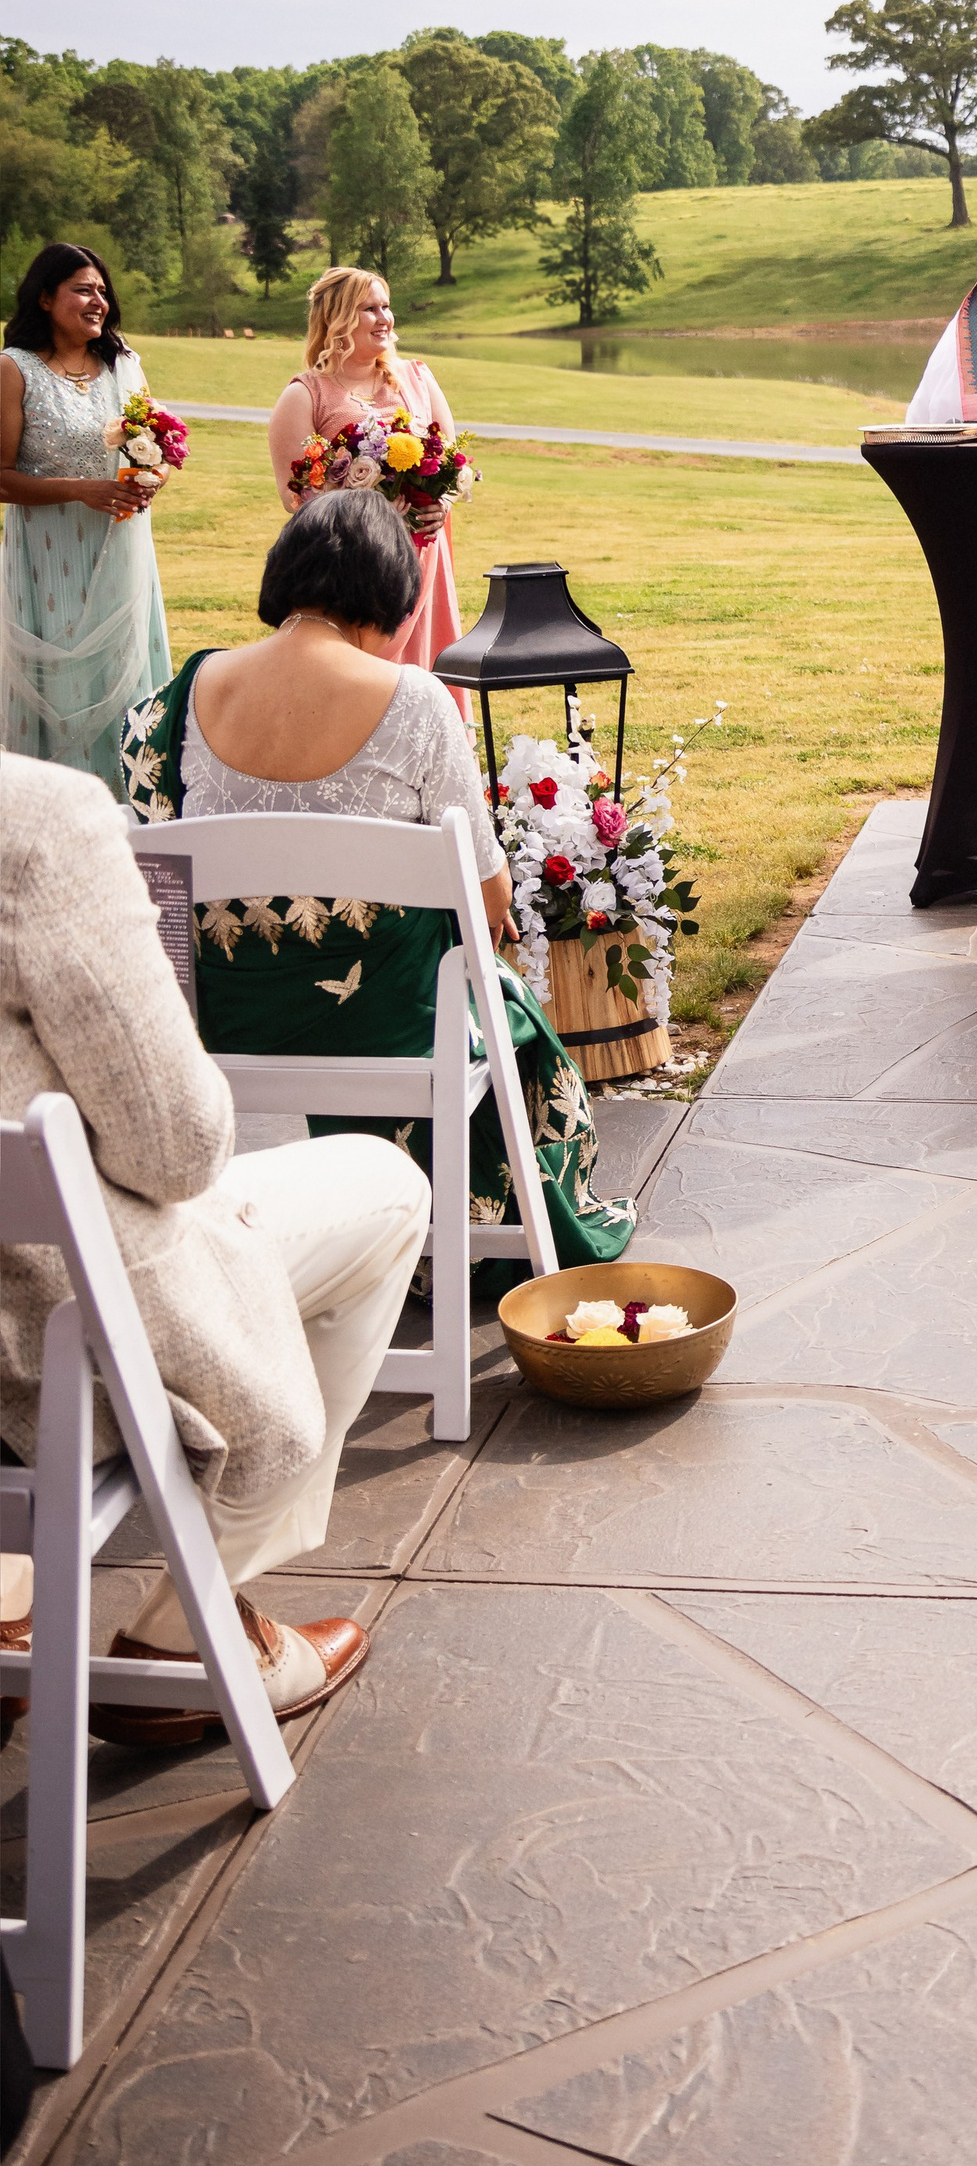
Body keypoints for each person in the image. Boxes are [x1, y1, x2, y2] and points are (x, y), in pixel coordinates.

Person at [0, 740, 430, 1745]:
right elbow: (176, 1146)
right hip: (44, 1332)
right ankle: (188, 1634)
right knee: (388, 1187)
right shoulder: (35, 821)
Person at [121, 491, 635, 1269]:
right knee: (498, 998)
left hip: (224, 1025)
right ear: (388, 597)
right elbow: (488, 898)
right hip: (391, 1030)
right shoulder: (416, 702)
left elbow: (153, 880)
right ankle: (475, 1229)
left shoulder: (164, 707)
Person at [0, 243, 177, 792]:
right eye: (83, 289)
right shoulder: (14, 369)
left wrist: (152, 478)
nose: (98, 300)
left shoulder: (123, 366)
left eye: (102, 290)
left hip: (122, 556)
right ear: (47, 297)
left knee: (130, 689)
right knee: (65, 689)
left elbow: (159, 450)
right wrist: (80, 490)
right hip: (49, 560)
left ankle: (135, 813)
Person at [265, 267, 464, 676]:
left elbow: (451, 461)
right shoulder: (305, 394)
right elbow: (295, 497)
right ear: (337, 318)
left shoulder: (418, 378)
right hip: (354, 565)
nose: (384, 318)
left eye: (386, 307)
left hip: (424, 553)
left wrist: (440, 504)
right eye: (369, 309)